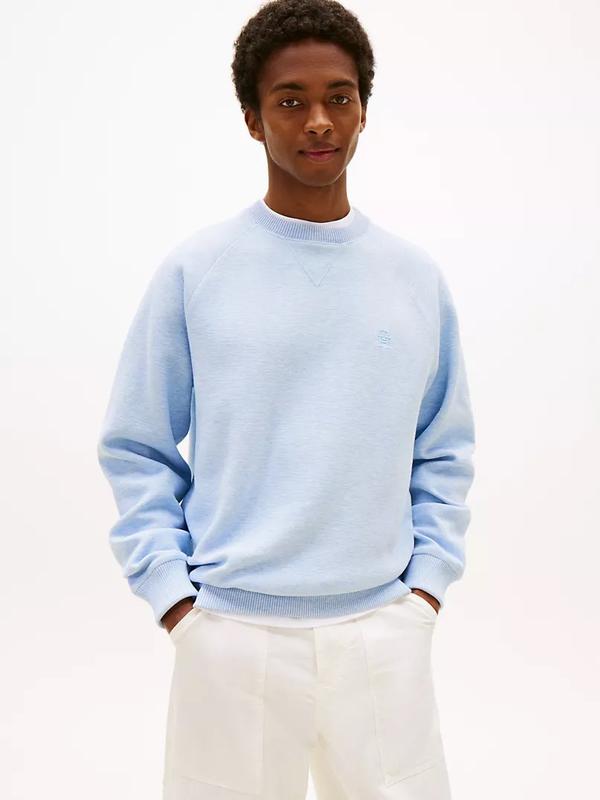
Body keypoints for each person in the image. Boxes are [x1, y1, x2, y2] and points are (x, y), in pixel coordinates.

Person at [97, 1, 476, 797]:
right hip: (231, 634)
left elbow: (443, 447)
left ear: (363, 109)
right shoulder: (197, 272)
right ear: (252, 118)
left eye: (339, 96)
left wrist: (426, 588)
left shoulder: (413, 278)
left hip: (382, 631)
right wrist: (177, 603)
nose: (319, 121)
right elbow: (137, 446)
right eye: (291, 100)